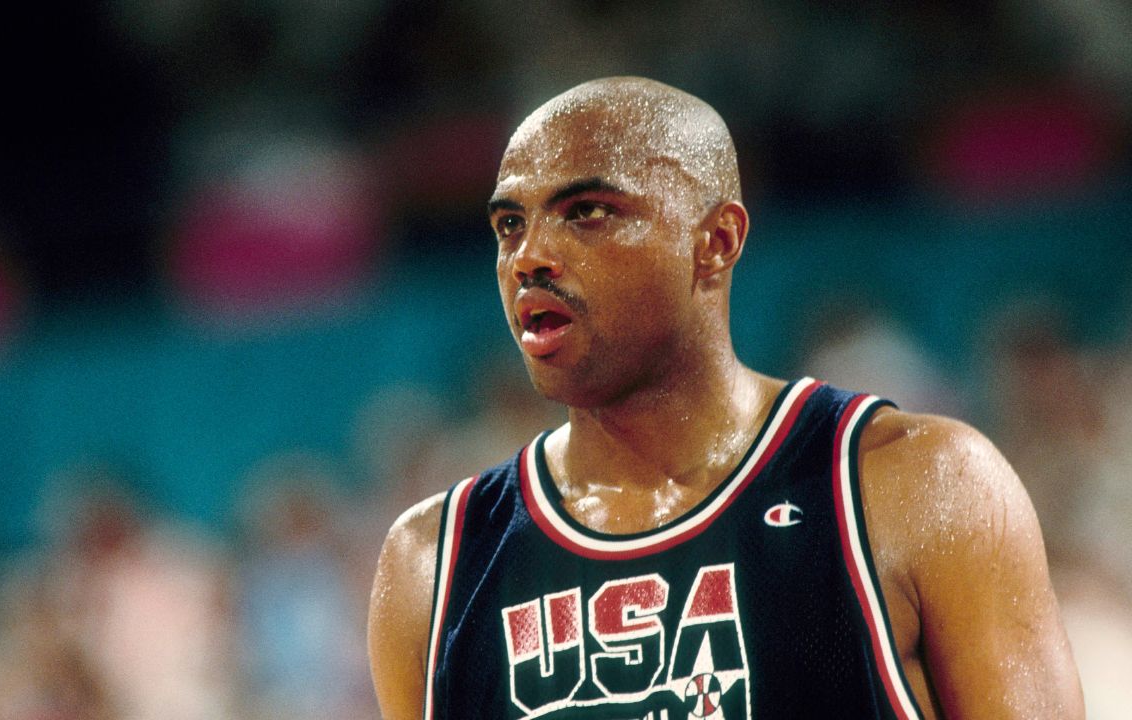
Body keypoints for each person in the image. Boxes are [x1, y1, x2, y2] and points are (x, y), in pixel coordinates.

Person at [367, 77, 1083, 719]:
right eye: (509, 226)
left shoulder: (920, 482)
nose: (528, 257)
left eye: (585, 212)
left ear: (715, 240)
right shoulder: (433, 567)